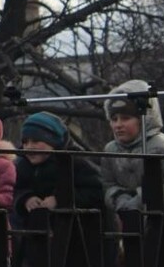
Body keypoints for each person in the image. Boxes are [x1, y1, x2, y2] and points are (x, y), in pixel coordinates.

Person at [12, 112, 104, 267]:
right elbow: (17, 189)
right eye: (25, 142)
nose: (29, 147)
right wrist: (26, 199)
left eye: (36, 141)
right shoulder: (22, 166)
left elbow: (97, 191)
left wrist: (61, 199)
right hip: (39, 236)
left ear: (54, 142)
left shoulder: (76, 162)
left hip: (78, 236)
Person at [100, 79, 164, 214]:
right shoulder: (110, 150)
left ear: (144, 119)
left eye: (126, 118)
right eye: (114, 119)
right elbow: (108, 185)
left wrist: (144, 198)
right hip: (130, 222)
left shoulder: (163, 146)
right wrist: (118, 197)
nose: (118, 124)